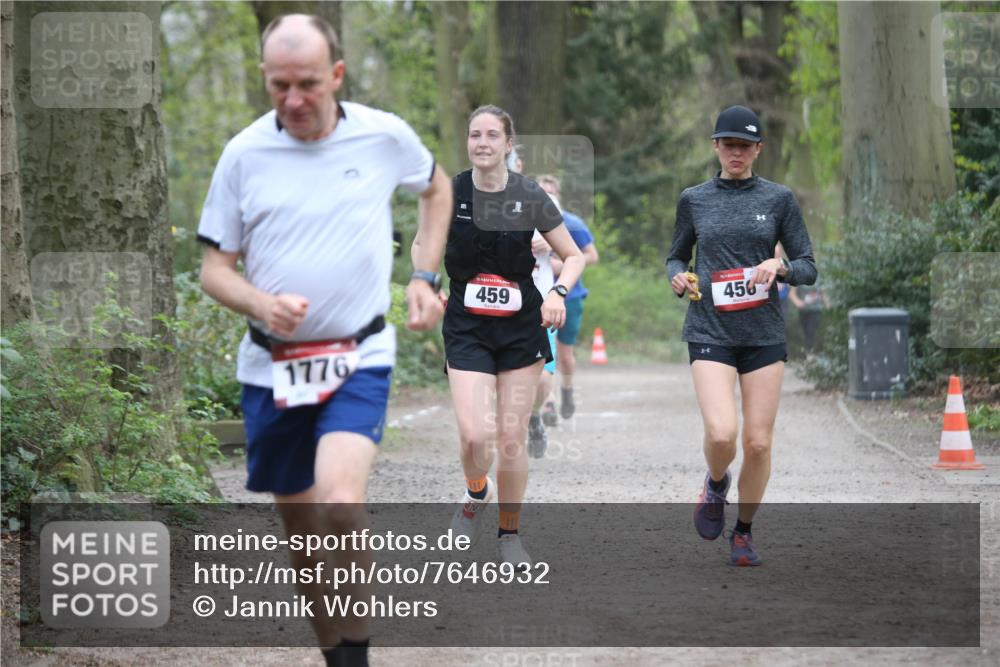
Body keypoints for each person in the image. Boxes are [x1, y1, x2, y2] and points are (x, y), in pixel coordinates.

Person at [197, 14, 451, 667]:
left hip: (358, 353)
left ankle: (357, 654)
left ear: (336, 75)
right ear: (264, 78)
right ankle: (334, 654)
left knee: (340, 500)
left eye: (307, 83)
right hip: (272, 366)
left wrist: (423, 276)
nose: (293, 100)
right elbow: (214, 270)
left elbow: (437, 187)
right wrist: (261, 303)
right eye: (279, 85)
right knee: (304, 534)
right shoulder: (243, 155)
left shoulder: (383, 136)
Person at [415, 105, 584, 569]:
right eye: (475, 135)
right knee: (474, 437)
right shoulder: (450, 193)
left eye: (492, 135)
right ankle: (476, 493)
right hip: (466, 326)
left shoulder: (529, 195)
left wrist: (558, 293)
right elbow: (422, 243)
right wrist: (425, 280)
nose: (483, 142)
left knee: (510, 437)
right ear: (467, 142)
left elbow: (573, 256)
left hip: (520, 329)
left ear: (509, 145)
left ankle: (509, 535)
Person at [666, 105, 816, 566]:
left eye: (745, 146)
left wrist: (781, 266)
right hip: (709, 328)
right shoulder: (694, 199)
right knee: (722, 434)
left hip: (763, 334)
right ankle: (716, 483)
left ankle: (744, 532)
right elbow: (676, 256)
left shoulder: (779, 199)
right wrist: (678, 277)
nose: (736, 153)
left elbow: (808, 266)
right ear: (716, 146)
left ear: (758, 150)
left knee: (758, 443)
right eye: (729, 145)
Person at [536, 175, 599, 421]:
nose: (546, 196)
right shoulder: (525, 222)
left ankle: (568, 390)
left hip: (570, 296)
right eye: (541, 192)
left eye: (550, 192)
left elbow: (591, 255)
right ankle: (549, 402)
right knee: (544, 353)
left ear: (558, 196)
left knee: (564, 354)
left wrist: (561, 266)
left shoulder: (573, 224)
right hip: (539, 298)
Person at [789, 281, 829, 353]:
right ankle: (807, 350)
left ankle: (810, 352)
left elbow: (823, 293)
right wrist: (797, 302)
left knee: (811, 330)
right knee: (806, 332)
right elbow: (792, 294)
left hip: (816, 310)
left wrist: (828, 305)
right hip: (803, 310)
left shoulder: (819, 278)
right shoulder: (799, 278)